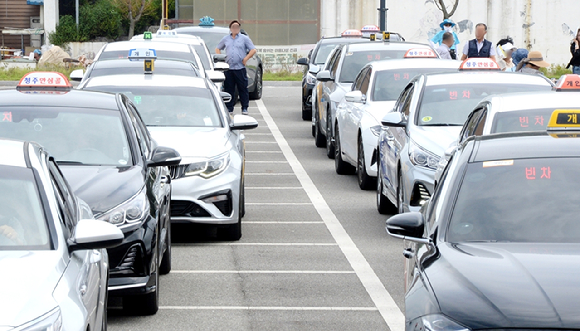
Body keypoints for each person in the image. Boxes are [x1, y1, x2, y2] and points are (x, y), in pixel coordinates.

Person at [216, 20, 257, 115]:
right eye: (233, 27)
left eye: (237, 27)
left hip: (240, 68)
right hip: (229, 68)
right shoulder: (226, 39)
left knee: (242, 88)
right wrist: (221, 58)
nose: (235, 29)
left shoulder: (244, 38)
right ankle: (229, 108)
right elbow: (218, 48)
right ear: (230, 29)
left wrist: (246, 58)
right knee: (229, 88)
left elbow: (253, 49)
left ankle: (245, 108)